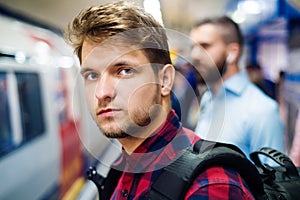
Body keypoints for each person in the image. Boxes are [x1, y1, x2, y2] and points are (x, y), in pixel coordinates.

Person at [65, 2, 254, 199]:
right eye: (92, 76)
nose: (102, 92)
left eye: (124, 71)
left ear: (164, 80)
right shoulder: (122, 169)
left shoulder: (210, 185)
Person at [190, 16, 285, 161]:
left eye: (205, 46)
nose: (194, 55)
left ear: (232, 53)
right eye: (193, 47)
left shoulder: (262, 110)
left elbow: (275, 180)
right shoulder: (208, 98)